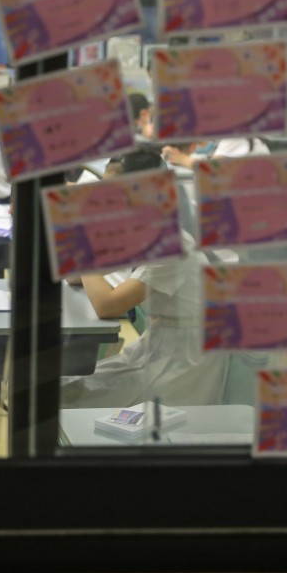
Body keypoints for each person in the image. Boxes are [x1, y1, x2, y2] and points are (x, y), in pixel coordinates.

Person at [62, 149, 229, 408]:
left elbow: (107, 305)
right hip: (157, 346)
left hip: (184, 362)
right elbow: (75, 276)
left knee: (65, 398)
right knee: (63, 390)